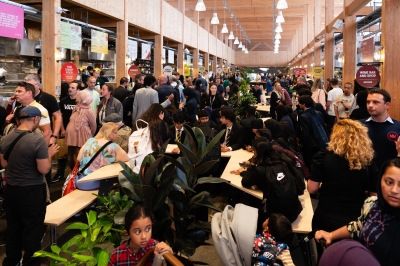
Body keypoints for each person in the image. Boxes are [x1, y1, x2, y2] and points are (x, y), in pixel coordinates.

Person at [0, 106, 59, 266]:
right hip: (32, 190)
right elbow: (44, 169)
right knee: (32, 230)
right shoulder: (37, 139)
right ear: (35, 119)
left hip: (11, 190)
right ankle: (30, 263)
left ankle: (11, 261)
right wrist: (48, 154)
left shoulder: (7, 138)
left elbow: (4, 163)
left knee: (13, 228)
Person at [315, 157, 400, 266]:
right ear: (380, 180)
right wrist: (331, 235)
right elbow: (358, 226)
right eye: (389, 182)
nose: (394, 190)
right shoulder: (373, 204)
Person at [308, 119, 378, 239]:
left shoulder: (323, 157)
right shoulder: (368, 163)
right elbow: (373, 197)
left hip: (325, 215)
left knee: (324, 255)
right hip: (353, 222)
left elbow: (312, 189)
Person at [108, 204, 172, 266]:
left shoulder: (157, 248)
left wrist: (169, 255)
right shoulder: (116, 256)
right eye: (138, 232)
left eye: (148, 229)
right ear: (127, 233)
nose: (144, 236)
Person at [360, 89, 400, 169]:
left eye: (375, 102)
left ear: (387, 105)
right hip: (364, 175)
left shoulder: (398, 127)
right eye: (368, 102)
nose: (370, 105)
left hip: (390, 174)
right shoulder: (358, 126)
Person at [52, 80, 78, 183]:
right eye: (69, 87)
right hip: (65, 131)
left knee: (74, 153)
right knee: (62, 153)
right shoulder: (63, 101)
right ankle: (60, 173)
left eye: (73, 88)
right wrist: (62, 129)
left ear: (78, 90)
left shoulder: (79, 101)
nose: (70, 89)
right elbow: (60, 116)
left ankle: (74, 173)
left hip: (76, 132)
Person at [65, 90, 97, 171]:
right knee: (71, 158)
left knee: (80, 158)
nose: (76, 97)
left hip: (82, 138)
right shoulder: (76, 108)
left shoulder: (89, 111)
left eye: (78, 95)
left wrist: (88, 134)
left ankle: (79, 175)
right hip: (72, 138)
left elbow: (93, 126)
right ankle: (73, 175)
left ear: (82, 98)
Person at [297, 95, 329, 169]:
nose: (299, 104)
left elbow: (305, 133)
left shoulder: (303, 116)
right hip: (321, 141)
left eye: (300, 103)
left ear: (304, 104)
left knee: (312, 164)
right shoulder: (318, 113)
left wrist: (302, 144)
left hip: (311, 144)